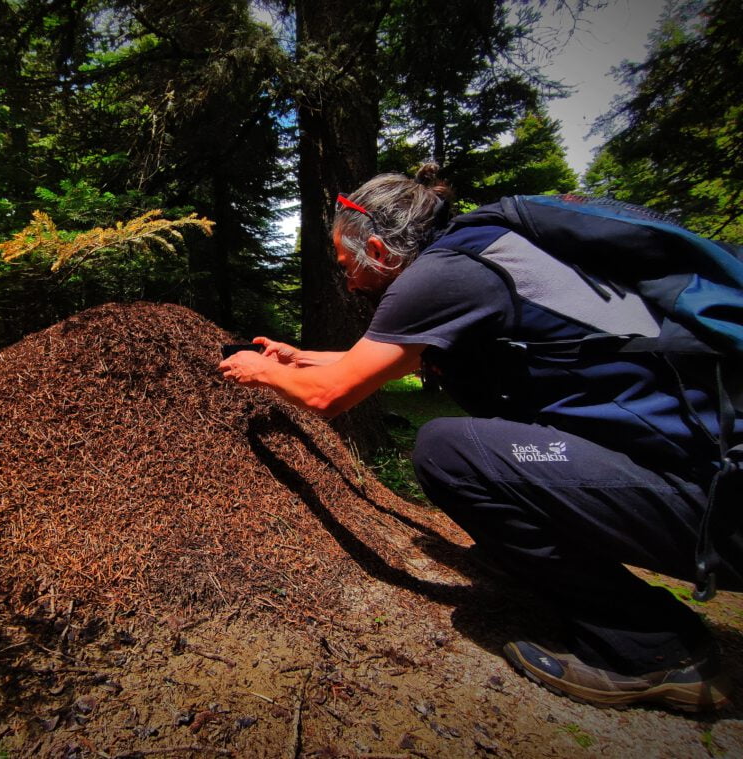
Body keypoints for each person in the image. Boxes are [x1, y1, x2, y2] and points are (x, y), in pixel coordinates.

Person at [218, 163, 740, 712]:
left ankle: (653, 651)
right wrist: (296, 358)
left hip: (716, 504)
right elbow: (368, 363)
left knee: (448, 453)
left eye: (348, 266)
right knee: (474, 451)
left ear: (378, 246)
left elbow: (332, 395)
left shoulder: (441, 277)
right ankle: (579, 589)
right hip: (695, 472)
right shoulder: (486, 253)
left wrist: (257, 371)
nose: (348, 281)